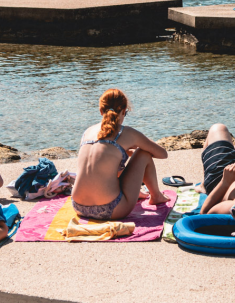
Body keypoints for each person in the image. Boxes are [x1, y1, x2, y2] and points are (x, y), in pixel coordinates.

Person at [72, 89, 168, 220]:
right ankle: (156, 196)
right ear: (124, 111)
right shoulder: (126, 133)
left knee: (114, 159)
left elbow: (103, 166)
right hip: (111, 209)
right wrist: (140, 142)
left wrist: (124, 149)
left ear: (101, 111)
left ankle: (137, 192)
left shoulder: (88, 131)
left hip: (78, 206)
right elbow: (162, 154)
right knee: (144, 152)